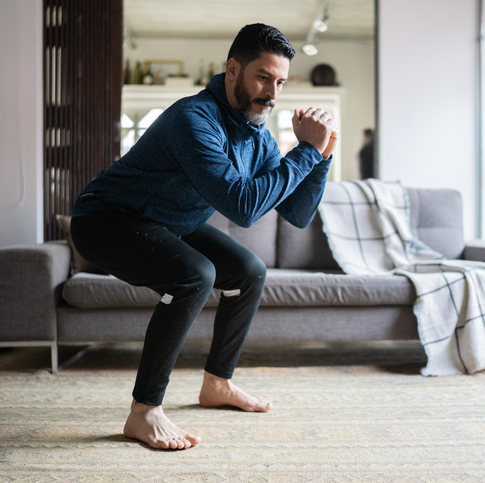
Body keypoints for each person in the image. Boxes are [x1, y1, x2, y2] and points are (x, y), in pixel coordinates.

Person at [69, 23, 337, 450]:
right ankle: (144, 412)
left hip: (168, 220)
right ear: (233, 69)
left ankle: (217, 384)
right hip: (106, 219)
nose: (272, 92)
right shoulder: (192, 119)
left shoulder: (258, 137)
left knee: (249, 271)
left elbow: (296, 214)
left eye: (281, 82)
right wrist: (304, 151)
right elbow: (243, 207)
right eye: (263, 77)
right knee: (195, 274)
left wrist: (320, 157)